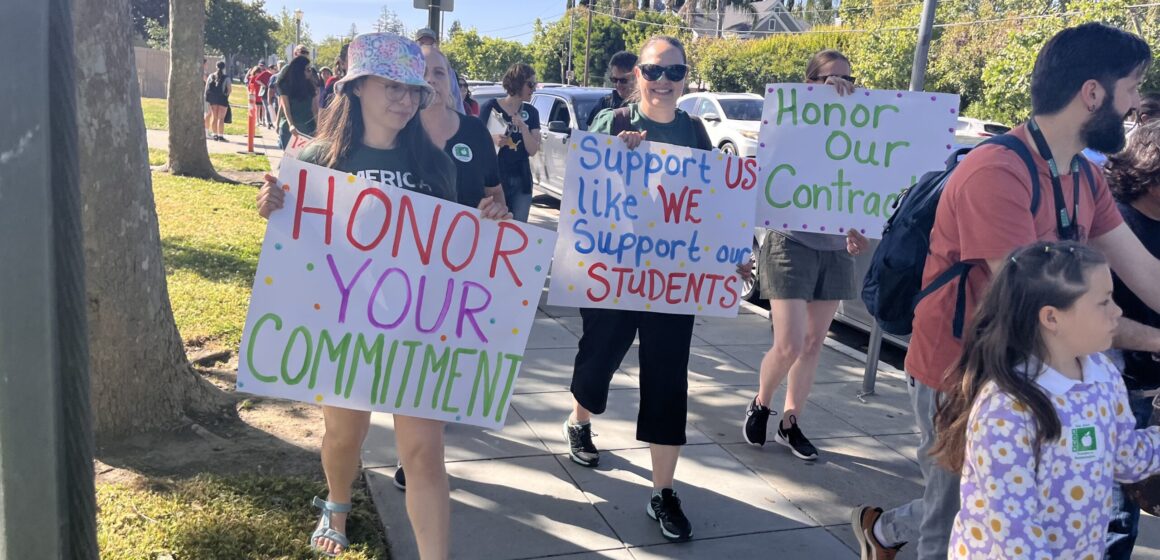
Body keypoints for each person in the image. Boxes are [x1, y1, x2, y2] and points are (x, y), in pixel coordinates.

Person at [851, 23, 1154, 560]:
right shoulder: (997, 172)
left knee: (1005, 504)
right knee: (950, 524)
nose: (1135, 105)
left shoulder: (1083, 176)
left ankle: (881, 531)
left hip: (1037, 373)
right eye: (1132, 87)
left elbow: (1148, 278)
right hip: (962, 376)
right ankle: (887, 535)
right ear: (1092, 93)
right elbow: (1042, 315)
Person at [256, 32, 504, 559]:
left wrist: (489, 223)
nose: (404, 98)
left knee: (424, 452)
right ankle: (338, 502)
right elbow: (296, 242)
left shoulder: (436, 164)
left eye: (413, 89)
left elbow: (456, 247)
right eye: (390, 85)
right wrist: (273, 203)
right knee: (345, 436)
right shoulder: (319, 158)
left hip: (417, 330)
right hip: (345, 325)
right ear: (357, 87)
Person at [563, 35, 714, 543]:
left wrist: (725, 256)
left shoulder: (694, 131)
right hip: (615, 271)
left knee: (668, 378)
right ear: (638, 77)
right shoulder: (614, 122)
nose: (664, 82)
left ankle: (663, 491)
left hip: (673, 278)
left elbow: (715, 200)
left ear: (684, 77)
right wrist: (617, 155)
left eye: (675, 71)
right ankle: (580, 416)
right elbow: (587, 187)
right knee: (600, 356)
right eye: (654, 72)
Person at [930, 240, 1160, 559]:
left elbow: (1124, 457)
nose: (1117, 312)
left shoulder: (1103, 374)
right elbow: (1013, 530)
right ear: (1052, 318)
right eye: (1104, 302)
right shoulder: (1006, 407)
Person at [389, 44, 513, 492]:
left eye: (439, 72)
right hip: (401, 270)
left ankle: (424, 448)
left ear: (451, 81)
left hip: (460, 273)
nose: (432, 81)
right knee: (406, 360)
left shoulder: (476, 134)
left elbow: (495, 195)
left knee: (440, 364)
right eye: (421, 73)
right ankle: (415, 454)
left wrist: (498, 213)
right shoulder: (394, 132)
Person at [742, 49, 870, 461]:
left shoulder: (861, 127)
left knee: (814, 343)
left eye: (849, 78)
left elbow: (865, 182)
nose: (843, 85)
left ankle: (791, 421)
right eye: (831, 78)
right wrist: (818, 103)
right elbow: (775, 157)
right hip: (791, 241)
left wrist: (860, 230)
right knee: (790, 343)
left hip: (834, 249)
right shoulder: (791, 118)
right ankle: (762, 402)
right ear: (809, 83)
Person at [1103, 121, 1160, 558]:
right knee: (1111, 514)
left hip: (1145, 391)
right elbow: (1096, 322)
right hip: (1110, 388)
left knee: (1125, 517)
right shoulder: (1112, 225)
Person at [478, 63, 541, 222]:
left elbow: (533, 150)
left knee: (517, 228)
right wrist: (492, 138)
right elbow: (475, 140)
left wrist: (524, 128)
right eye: (530, 84)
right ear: (518, 83)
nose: (533, 89)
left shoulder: (532, 112)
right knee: (494, 226)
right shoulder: (490, 107)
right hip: (495, 178)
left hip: (522, 179)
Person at [586, 50, 638, 127]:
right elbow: (590, 134)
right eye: (614, 80)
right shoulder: (604, 104)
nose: (618, 84)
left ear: (637, 77)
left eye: (623, 80)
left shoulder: (647, 106)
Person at [277, 56, 319, 149]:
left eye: (310, 69)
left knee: (303, 160)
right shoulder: (285, 84)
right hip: (291, 128)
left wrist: (318, 127)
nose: (310, 72)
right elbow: (285, 107)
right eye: (308, 69)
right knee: (289, 159)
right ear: (299, 71)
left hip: (308, 128)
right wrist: (291, 125)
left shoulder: (310, 86)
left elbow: (314, 109)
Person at [203, 61, 231, 141]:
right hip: (222, 99)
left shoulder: (211, 76)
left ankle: (215, 135)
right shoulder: (226, 77)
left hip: (213, 99)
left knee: (214, 117)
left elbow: (206, 88)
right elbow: (229, 89)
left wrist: (208, 98)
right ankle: (220, 136)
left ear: (216, 66)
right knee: (221, 118)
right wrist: (226, 96)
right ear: (224, 67)